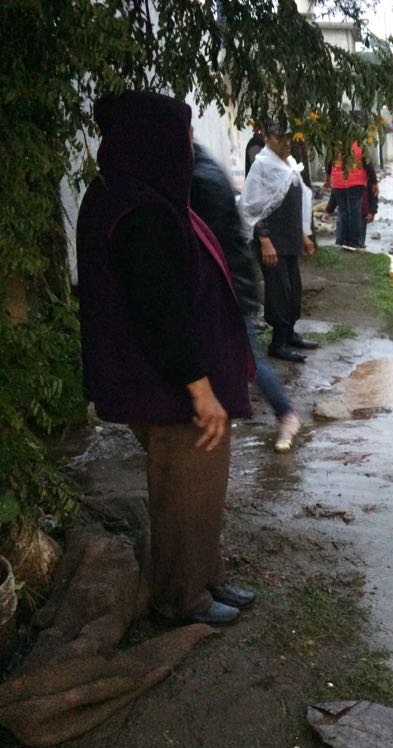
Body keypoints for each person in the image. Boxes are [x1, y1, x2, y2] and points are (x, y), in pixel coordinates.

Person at [76, 91, 255, 626]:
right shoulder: (137, 210)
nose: (187, 147)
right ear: (150, 139)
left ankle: (205, 576)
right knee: (182, 492)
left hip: (174, 379)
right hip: (166, 386)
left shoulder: (144, 196)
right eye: (179, 136)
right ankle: (181, 599)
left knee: (201, 488)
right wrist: (199, 387)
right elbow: (160, 312)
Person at [190, 142, 302, 452]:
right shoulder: (201, 171)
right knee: (236, 356)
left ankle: (286, 413)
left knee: (247, 358)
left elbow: (234, 228)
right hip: (227, 282)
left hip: (228, 286)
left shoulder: (200, 180)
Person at [238, 118, 318, 363]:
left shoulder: (290, 164)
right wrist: (264, 240)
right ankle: (278, 342)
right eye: (280, 137)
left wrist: (304, 234)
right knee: (279, 292)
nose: (286, 143)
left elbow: (298, 202)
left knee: (293, 289)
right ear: (268, 138)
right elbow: (253, 207)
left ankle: (290, 332)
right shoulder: (262, 165)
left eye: (289, 137)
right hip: (272, 241)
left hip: (290, 239)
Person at [325, 140, 379, 249]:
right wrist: (374, 182)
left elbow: (329, 163)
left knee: (343, 212)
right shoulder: (359, 145)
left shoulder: (335, 145)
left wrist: (327, 180)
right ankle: (355, 242)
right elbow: (368, 164)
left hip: (338, 183)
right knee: (354, 212)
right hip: (356, 182)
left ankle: (342, 242)